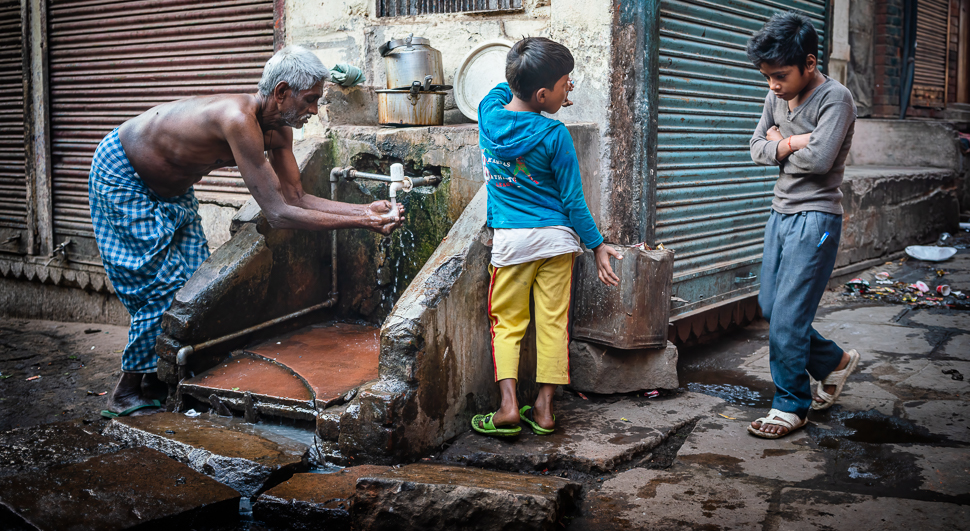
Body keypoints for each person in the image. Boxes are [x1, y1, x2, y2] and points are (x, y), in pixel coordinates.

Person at [88, 45, 404, 418]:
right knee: (161, 287)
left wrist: (364, 210)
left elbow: (296, 196)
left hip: (174, 190)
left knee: (192, 284)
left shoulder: (278, 129)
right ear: (282, 91)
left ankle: (157, 379)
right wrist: (363, 221)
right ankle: (126, 392)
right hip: (125, 175)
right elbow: (279, 213)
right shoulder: (238, 119)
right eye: (310, 100)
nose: (315, 111)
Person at [471, 37, 622, 437]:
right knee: (553, 325)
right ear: (542, 93)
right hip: (556, 243)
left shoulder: (488, 116)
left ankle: (506, 407)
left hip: (511, 245)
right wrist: (597, 244)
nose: (568, 89)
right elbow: (574, 201)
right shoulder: (555, 136)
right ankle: (543, 409)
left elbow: (502, 90)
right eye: (564, 85)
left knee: (507, 324)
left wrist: (537, 97)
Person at [746, 11, 861, 439]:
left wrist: (778, 143)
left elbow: (819, 161)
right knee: (772, 308)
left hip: (817, 218)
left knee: (788, 316)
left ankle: (791, 404)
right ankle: (833, 362)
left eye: (780, 75)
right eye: (767, 77)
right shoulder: (776, 95)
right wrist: (791, 141)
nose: (773, 86)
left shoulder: (837, 99)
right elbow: (756, 147)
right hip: (780, 213)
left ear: (810, 64)